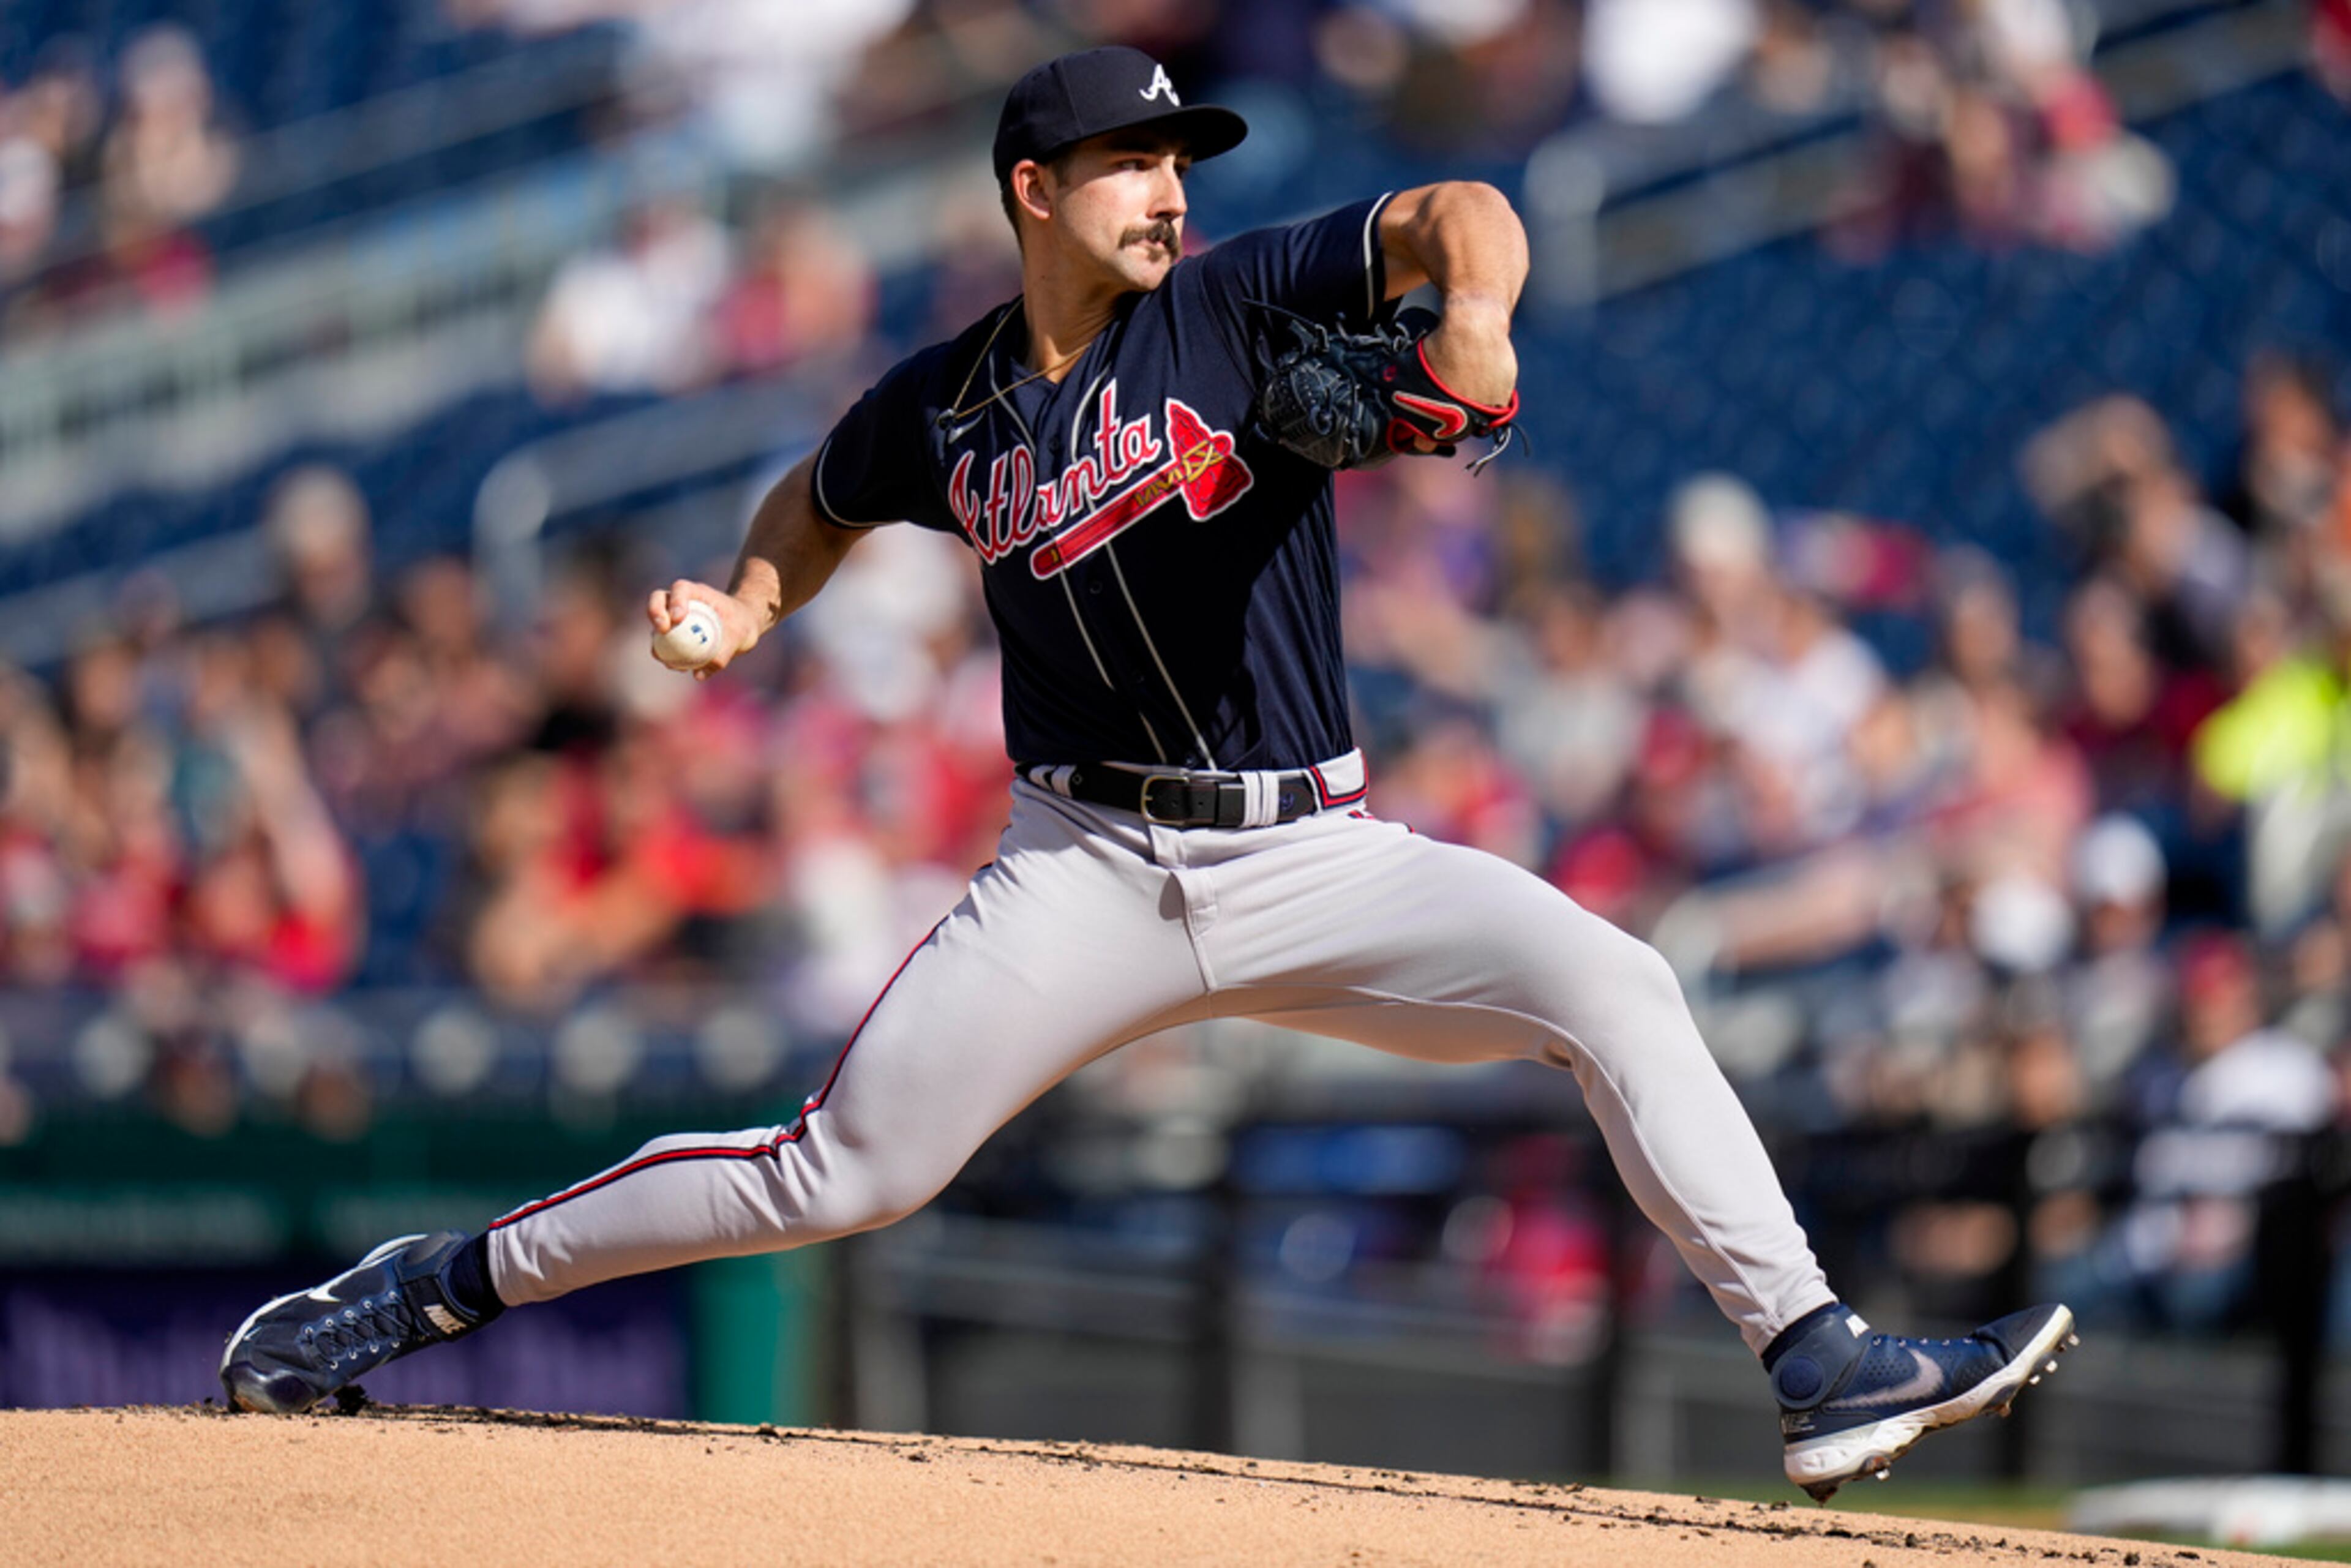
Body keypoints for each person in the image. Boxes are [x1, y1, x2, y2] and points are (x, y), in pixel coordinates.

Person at [219, 46, 2075, 1501]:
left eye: (1184, 159)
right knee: (840, 1169)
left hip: (1318, 849)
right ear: (1036, 188)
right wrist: (749, 600)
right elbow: (821, 488)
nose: (1172, 187)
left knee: (1616, 980)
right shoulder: (945, 405)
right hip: (1084, 869)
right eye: (1135, 161)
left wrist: (1482, 318)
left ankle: (1816, 1357)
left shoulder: (1243, 304)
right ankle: (437, 1282)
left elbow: (1459, 205)